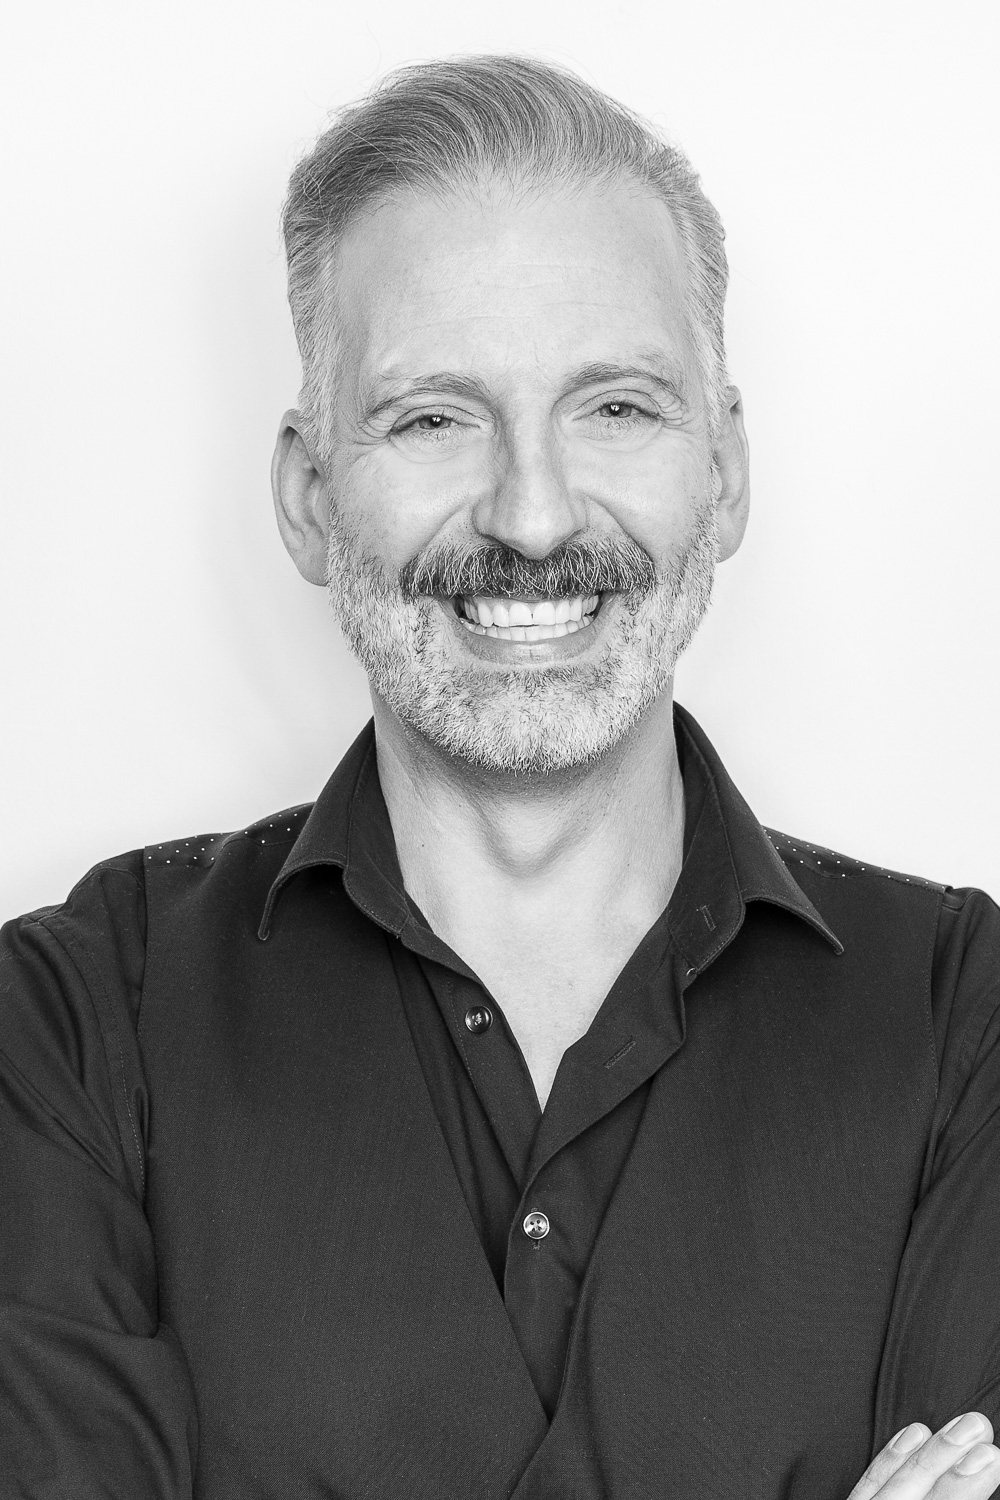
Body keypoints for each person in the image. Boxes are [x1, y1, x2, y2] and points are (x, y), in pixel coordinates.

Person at [1, 54, 998, 1500]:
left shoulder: (971, 1026)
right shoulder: (71, 1028)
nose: (531, 518)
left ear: (724, 475)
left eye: (616, 408)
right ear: (308, 494)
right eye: (433, 418)